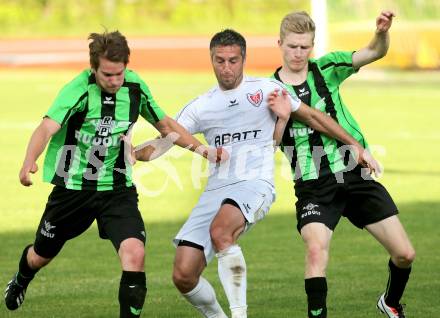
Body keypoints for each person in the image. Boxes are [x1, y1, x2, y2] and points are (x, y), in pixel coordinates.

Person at [134, 28, 378, 318]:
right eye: (220, 60)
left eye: (233, 60)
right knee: (184, 274)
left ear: (244, 59)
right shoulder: (202, 106)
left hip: (254, 184)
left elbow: (314, 117)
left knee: (221, 231)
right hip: (216, 190)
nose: (226, 68)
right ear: (211, 60)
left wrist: (354, 145)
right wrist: (132, 154)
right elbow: (164, 142)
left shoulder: (265, 90)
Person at [4, 30, 224, 317]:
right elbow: (47, 126)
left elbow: (166, 126)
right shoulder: (78, 89)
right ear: (93, 68)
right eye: (107, 75)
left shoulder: (134, 87)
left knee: (135, 254)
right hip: (74, 189)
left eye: (119, 73)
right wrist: (28, 161)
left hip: (118, 187)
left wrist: (204, 151)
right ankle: (21, 278)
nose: (114, 81)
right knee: (40, 256)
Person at [272, 11, 415, 318]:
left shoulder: (327, 67)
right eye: (292, 46)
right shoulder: (266, 93)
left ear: (312, 46)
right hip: (313, 184)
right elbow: (268, 144)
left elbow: (375, 51)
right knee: (315, 250)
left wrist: (380, 32)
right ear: (279, 43)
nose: (298, 53)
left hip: (355, 173)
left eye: (304, 47)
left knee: (405, 254)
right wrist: (282, 117)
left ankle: (390, 302)